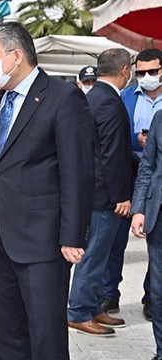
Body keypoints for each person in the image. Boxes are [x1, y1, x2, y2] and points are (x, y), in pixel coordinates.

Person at [0, 22, 94, 359]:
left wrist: (72, 236)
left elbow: (77, 172)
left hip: (42, 242)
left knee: (45, 335)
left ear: (16, 55)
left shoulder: (63, 98)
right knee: (4, 332)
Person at [66, 48, 133, 336]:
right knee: (94, 255)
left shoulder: (91, 97)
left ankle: (93, 307)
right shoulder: (108, 102)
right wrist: (121, 195)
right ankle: (79, 311)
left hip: (91, 191)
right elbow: (112, 155)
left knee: (99, 254)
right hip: (102, 195)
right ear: (125, 71)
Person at [103, 47, 162, 321]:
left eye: (152, 72)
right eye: (140, 72)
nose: (146, 77)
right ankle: (108, 294)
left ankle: (153, 297)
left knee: (158, 243)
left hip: (157, 180)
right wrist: (137, 139)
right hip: (127, 175)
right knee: (114, 240)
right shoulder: (124, 98)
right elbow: (113, 136)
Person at [131, 108, 162, 360]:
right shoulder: (160, 118)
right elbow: (147, 166)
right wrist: (139, 209)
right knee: (158, 291)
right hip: (158, 216)